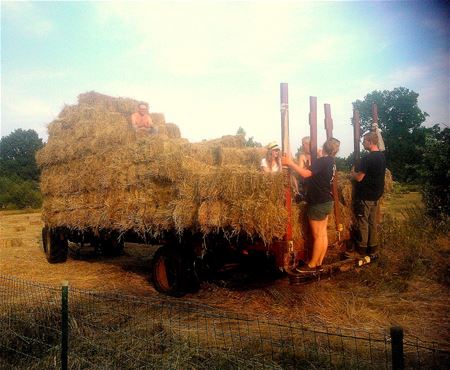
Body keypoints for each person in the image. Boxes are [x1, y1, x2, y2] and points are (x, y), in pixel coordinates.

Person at [283, 138, 341, 273]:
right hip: (327, 200)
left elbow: (305, 173)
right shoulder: (332, 161)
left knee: (317, 235)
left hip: (318, 202)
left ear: (324, 146)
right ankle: (319, 261)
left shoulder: (322, 161)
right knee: (323, 234)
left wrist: (290, 163)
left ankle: (312, 264)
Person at [351, 131, 386, 256]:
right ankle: (373, 249)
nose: (362, 143)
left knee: (363, 223)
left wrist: (353, 174)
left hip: (366, 196)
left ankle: (362, 250)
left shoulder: (367, 158)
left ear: (370, 142)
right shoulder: (382, 156)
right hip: (376, 195)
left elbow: (360, 178)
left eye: (364, 141)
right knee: (372, 222)